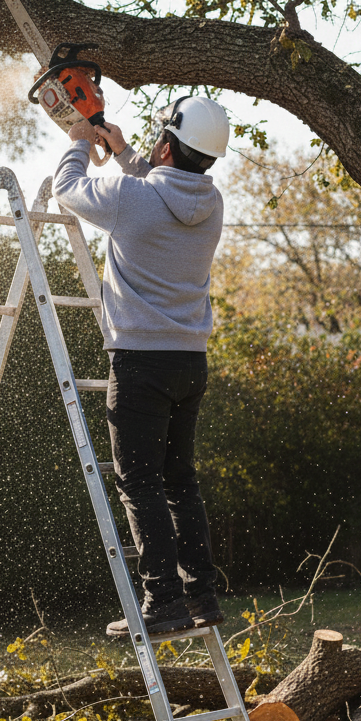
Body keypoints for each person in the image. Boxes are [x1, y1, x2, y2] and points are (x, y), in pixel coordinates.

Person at [51, 95, 229, 638]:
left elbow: (67, 188)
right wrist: (126, 152)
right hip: (189, 361)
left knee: (139, 483)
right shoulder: (212, 203)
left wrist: (80, 142)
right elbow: (164, 191)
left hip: (140, 363)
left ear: (167, 146)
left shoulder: (130, 198)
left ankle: (162, 602)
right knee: (179, 481)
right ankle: (201, 596)